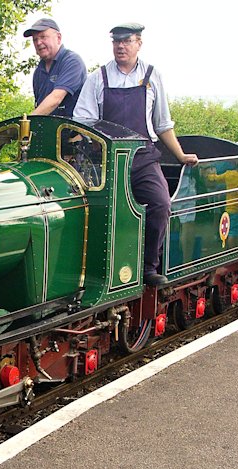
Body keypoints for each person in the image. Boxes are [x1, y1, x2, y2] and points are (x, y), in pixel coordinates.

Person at [73, 23, 198, 286]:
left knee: (161, 204)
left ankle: (149, 267)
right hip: (106, 161)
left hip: (143, 158)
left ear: (138, 43)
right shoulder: (98, 78)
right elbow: (82, 120)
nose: (120, 46)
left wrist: (181, 155)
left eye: (126, 41)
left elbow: (163, 124)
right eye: (116, 42)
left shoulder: (153, 76)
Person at [23, 18, 86, 117]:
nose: (39, 42)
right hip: (49, 129)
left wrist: (26, 123)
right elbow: (39, 107)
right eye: (35, 39)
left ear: (58, 38)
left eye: (43, 37)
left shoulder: (72, 61)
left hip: (73, 130)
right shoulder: (38, 71)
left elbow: (56, 99)